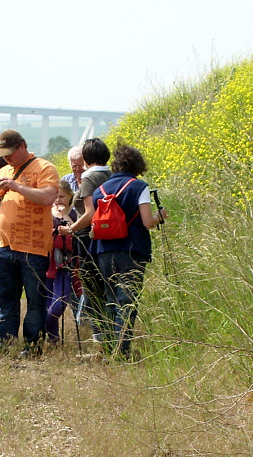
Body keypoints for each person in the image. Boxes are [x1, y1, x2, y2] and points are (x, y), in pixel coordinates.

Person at [0, 129, 59, 357]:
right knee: (5, 300)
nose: (7, 159)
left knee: (35, 301)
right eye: (4, 155)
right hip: (4, 246)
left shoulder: (44, 168)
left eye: (11, 154)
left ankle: (32, 347)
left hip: (33, 248)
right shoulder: (3, 170)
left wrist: (16, 187)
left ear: (22, 146)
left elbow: (48, 197)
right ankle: (6, 344)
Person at [92, 143, 168, 359]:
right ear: (137, 165)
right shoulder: (139, 187)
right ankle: (121, 352)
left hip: (104, 251)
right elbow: (146, 222)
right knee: (127, 301)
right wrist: (160, 216)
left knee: (110, 299)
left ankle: (108, 349)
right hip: (132, 250)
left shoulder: (101, 190)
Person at [67, 138, 112, 343]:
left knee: (92, 290)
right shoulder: (112, 175)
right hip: (111, 240)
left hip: (88, 240)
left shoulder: (89, 178)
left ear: (86, 158)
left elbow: (89, 213)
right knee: (108, 289)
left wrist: (70, 229)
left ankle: (100, 340)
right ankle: (113, 336)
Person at [44, 180, 81, 345]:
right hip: (47, 263)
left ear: (70, 196)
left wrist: (65, 216)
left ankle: (45, 327)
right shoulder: (46, 213)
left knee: (59, 304)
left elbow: (78, 233)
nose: (58, 200)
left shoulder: (75, 214)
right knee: (46, 301)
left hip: (67, 266)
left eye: (62, 196)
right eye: (55, 196)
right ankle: (53, 338)